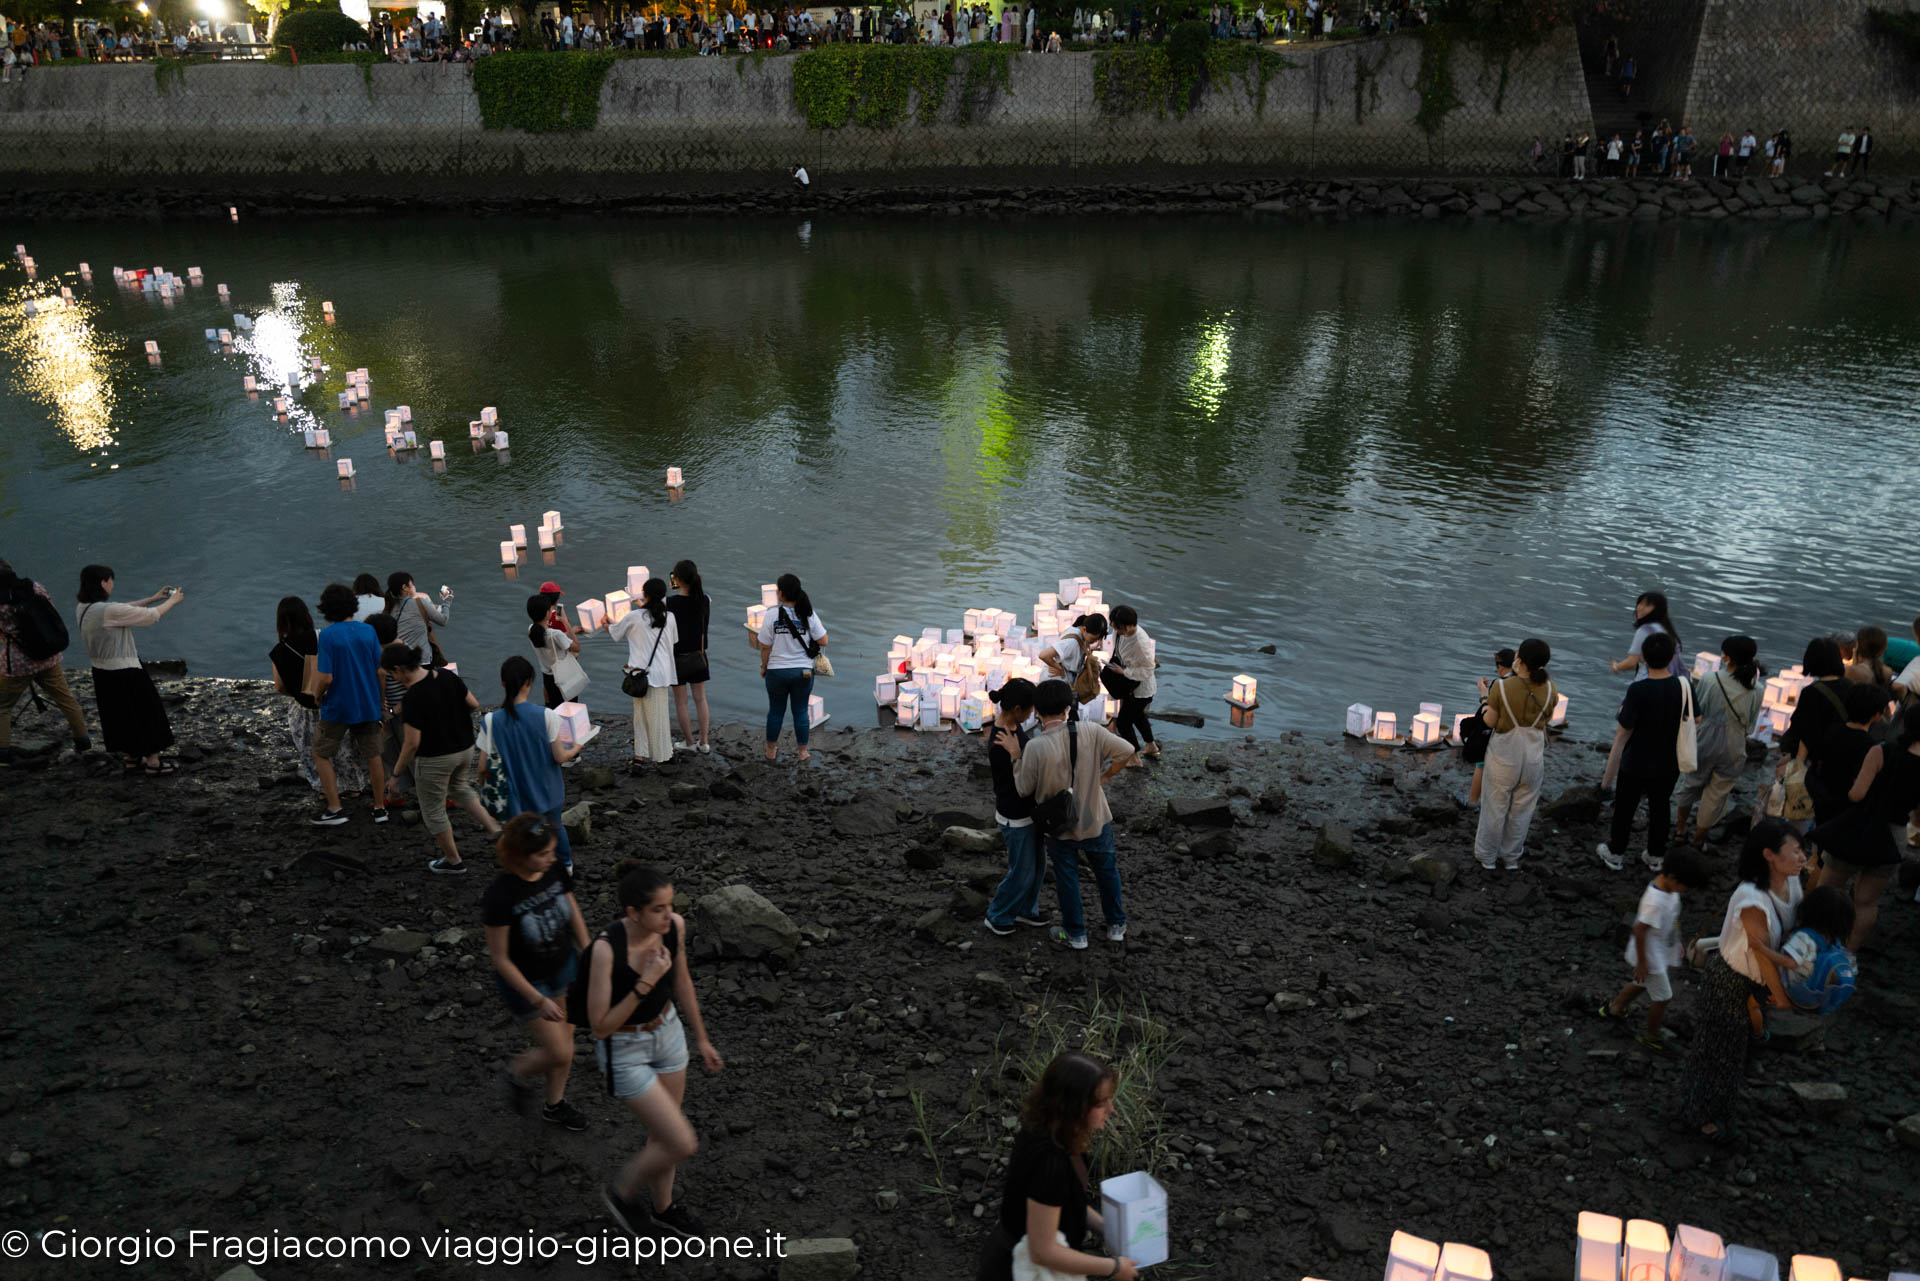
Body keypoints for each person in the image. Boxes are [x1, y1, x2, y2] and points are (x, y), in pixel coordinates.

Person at [577, 861, 724, 1238]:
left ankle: (663, 1207)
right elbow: (599, 1026)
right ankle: (621, 1192)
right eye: (658, 909)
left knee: (664, 1136)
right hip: (624, 1048)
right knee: (681, 1141)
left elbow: (683, 979)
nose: (668, 915)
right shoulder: (607, 951)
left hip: (668, 1033)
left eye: (670, 905)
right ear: (633, 913)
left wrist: (702, 1038)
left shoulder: (673, 928)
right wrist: (645, 983)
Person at [1678, 819, 1804, 1144]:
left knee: (1736, 1050)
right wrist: (1784, 998)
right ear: (1769, 856)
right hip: (1731, 981)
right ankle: (1701, 1117)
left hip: (1756, 983)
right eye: (1795, 850)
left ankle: (1718, 1106)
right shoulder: (1752, 899)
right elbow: (1761, 952)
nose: (1802, 857)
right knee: (1718, 1052)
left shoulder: (1792, 881)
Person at [976, 1051, 1137, 1281]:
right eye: (1101, 1103)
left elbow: (1066, 1201)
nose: (1111, 1109)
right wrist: (1112, 1268)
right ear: (1074, 1106)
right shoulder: (1049, 1162)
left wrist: (1104, 1226)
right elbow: (1043, 1251)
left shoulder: (1059, 1135)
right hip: (1020, 1271)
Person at [1013, 679, 1137, 950]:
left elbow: (1023, 789)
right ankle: (1116, 926)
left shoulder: (1035, 746)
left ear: (1037, 711)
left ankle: (1076, 934)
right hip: (1096, 818)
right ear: (1069, 708)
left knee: (1067, 879)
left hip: (1060, 825)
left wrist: (1015, 758)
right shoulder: (1092, 731)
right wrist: (1104, 776)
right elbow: (1127, 751)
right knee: (1107, 873)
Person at [486, 813, 591, 1130]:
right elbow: (500, 959)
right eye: (542, 854)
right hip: (528, 983)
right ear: (519, 855)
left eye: (552, 850)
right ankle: (517, 1072)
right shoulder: (500, 896)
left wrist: (587, 949)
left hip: (564, 967)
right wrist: (537, 1000)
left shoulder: (555, 870)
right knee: (558, 1051)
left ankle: (554, 1105)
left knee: (566, 1046)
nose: (551, 858)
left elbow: (571, 909)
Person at [1808, 703, 1920, 950]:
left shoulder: (1881, 752)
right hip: (1894, 836)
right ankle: (1848, 954)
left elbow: (1857, 794)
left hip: (1858, 828)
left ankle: (1813, 944)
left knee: (1827, 888)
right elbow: (1917, 817)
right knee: (1867, 902)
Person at [384, 643, 499, 874]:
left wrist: (396, 775)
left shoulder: (413, 697)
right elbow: (474, 704)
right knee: (460, 788)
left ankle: (453, 861)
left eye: (392, 674)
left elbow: (411, 743)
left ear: (398, 669)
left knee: (433, 810)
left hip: (435, 758)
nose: (394, 679)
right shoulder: (446, 675)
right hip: (465, 748)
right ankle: (495, 830)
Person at [75, 565, 183, 776]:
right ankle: (153, 763)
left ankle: (132, 758)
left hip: (102, 672)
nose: (112, 584)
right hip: (125, 671)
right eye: (110, 580)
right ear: (103, 582)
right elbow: (150, 617)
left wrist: (153, 598)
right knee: (148, 714)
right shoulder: (106, 610)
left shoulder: (84, 607)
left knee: (120, 717)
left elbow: (123, 609)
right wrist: (172, 601)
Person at [478, 656, 585, 869]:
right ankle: (564, 866)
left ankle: (526, 866)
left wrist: (485, 789)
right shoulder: (547, 715)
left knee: (521, 835)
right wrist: (578, 746)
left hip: (515, 795)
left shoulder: (491, 721)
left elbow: (482, 768)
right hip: (548, 790)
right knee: (555, 827)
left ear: (503, 683)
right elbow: (560, 757)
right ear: (529, 682)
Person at [1598, 849, 1708, 1052]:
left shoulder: (1669, 890)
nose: (1684, 890)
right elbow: (1639, 930)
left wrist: (1676, 942)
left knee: (1641, 982)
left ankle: (1615, 1008)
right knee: (1663, 996)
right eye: (1685, 886)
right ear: (1674, 878)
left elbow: (1671, 918)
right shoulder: (1655, 902)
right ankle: (1651, 1034)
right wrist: (1642, 962)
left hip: (1657, 949)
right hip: (1649, 954)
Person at [1598, 631, 1688, 872]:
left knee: (1625, 808)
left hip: (1636, 761)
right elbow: (1695, 718)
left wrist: (1607, 780)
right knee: (1660, 807)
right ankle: (1656, 855)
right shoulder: (1684, 686)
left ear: (1643, 658)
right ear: (1671, 657)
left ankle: (1616, 853)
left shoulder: (1638, 690)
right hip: (1669, 762)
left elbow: (1623, 732)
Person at [267, 595, 367, 799]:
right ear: (306, 616)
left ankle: (324, 789)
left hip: (303, 709)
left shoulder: (278, 651)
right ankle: (353, 786)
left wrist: (298, 692)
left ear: (281, 622)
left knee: (312, 751)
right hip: (332, 702)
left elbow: (279, 687)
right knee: (343, 746)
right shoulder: (322, 636)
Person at [309, 583, 390, 826]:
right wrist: (380, 701)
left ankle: (335, 808)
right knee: (373, 755)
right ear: (352, 606)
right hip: (367, 704)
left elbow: (326, 677)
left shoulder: (328, 636)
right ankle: (379, 808)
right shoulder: (368, 631)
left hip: (338, 706)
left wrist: (317, 694)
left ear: (326, 609)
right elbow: (382, 672)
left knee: (321, 753)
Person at [1473, 639, 1556, 871]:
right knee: (1522, 811)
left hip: (1504, 758)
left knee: (1494, 807)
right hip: (1533, 760)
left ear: (1520, 659)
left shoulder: (1501, 687)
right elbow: (1546, 721)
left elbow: (1490, 720)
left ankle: (1487, 857)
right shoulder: (1551, 688)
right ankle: (1510, 858)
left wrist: (1483, 698)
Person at [1673, 636, 1763, 848]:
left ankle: (1680, 829)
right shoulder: (1757, 689)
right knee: (1717, 794)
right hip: (1734, 744)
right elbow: (1751, 724)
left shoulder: (1709, 679)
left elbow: (1698, 709)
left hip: (1705, 738)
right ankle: (1700, 838)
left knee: (1691, 783)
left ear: (1728, 658)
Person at [0, 559, 91, 762]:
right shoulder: (35, 587)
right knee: (66, 699)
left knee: (2, 706)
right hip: (48, 656)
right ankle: (83, 742)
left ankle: (2, 754)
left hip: (18, 664)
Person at [981, 680, 1046, 936]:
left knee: (1037, 867)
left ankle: (1026, 909)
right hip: (1015, 815)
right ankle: (998, 915)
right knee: (1022, 870)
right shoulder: (1001, 743)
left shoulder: (1013, 726)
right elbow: (1019, 784)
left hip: (1026, 813)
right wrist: (1019, 755)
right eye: (1030, 709)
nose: (1032, 713)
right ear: (1017, 708)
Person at [755, 573, 827, 763]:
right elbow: (824, 640)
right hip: (803, 671)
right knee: (800, 711)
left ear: (780, 593)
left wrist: (764, 666)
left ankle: (771, 751)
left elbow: (764, 645)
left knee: (776, 711)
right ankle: (802, 752)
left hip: (776, 671)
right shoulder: (808, 614)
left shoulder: (771, 615)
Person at [610, 577, 678, 769]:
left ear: (644, 594)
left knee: (640, 716)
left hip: (640, 675)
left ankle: (646, 757)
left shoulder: (634, 617)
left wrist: (606, 623)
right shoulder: (670, 617)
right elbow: (672, 641)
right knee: (659, 716)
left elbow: (615, 633)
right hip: (661, 674)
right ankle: (662, 754)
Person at [1779, 886, 1857, 1014]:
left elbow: (1787, 962)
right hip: (1824, 999)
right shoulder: (1835, 942)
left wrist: (1765, 951)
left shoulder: (1803, 938)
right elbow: (1852, 968)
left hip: (1799, 994)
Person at [665, 560, 712, 754]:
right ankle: (704, 742)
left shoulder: (668, 602)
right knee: (701, 699)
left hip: (677, 659)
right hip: (699, 657)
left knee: (681, 702)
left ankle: (689, 743)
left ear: (676, 579)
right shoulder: (706, 600)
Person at [1459, 648, 1515, 808]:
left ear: (1501, 666)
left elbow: (1489, 711)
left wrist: (1483, 692)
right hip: (1513, 734)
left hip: (1496, 730)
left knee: (1481, 764)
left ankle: (1472, 801)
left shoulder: (1499, 683)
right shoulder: (1520, 683)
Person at [1103, 606, 1158, 759]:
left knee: (1123, 723)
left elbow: (1149, 669)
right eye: (1113, 626)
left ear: (1129, 625)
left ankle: (1134, 757)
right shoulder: (1121, 632)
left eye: (1118, 628)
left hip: (1141, 689)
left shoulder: (1140, 642)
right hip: (1129, 684)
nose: (1115, 630)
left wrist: (1124, 672)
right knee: (1138, 716)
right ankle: (1151, 746)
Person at [1040, 613, 1109, 713]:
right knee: (1056, 714)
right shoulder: (1072, 642)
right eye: (1093, 639)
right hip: (1053, 685)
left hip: (1064, 682)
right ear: (1084, 629)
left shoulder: (1080, 633)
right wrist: (1060, 669)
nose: (1094, 642)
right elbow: (1043, 655)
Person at [1609, 591, 1683, 679]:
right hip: (1672, 680)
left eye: (1647, 605)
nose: (1640, 608)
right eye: (1640, 604)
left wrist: (1616, 666)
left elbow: (1632, 661)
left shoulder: (1645, 630)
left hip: (1649, 681)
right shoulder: (1666, 629)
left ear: (1657, 609)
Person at [527, 592, 580, 710]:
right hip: (564, 675)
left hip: (548, 677)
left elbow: (552, 641)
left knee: (557, 708)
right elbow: (577, 647)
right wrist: (565, 622)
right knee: (572, 709)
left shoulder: (531, 630)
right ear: (547, 613)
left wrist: (567, 633)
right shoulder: (555, 634)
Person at [386, 572, 450, 668]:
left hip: (400, 661)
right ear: (405, 587)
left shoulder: (390, 606)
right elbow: (443, 620)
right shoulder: (419, 602)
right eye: (412, 584)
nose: (414, 587)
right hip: (421, 660)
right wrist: (447, 603)